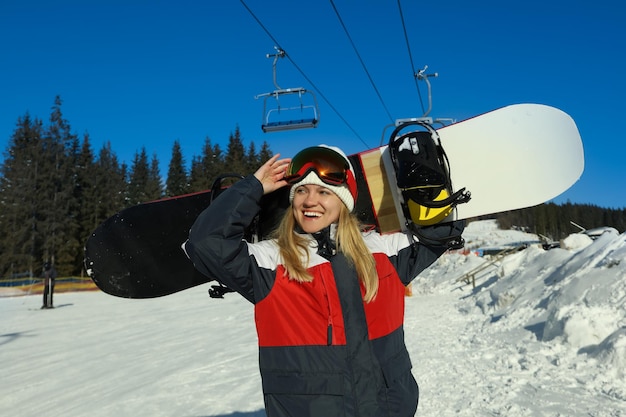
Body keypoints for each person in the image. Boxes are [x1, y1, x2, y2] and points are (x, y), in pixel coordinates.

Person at [184, 145, 464, 417]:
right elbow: (206, 244)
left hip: (389, 407)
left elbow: (443, 230)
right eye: (301, 190)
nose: (309, 201)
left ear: (344, 201)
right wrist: (253, 188)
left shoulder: (383, 252)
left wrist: (423, 180)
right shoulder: (270, 262)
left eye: (323, 191)